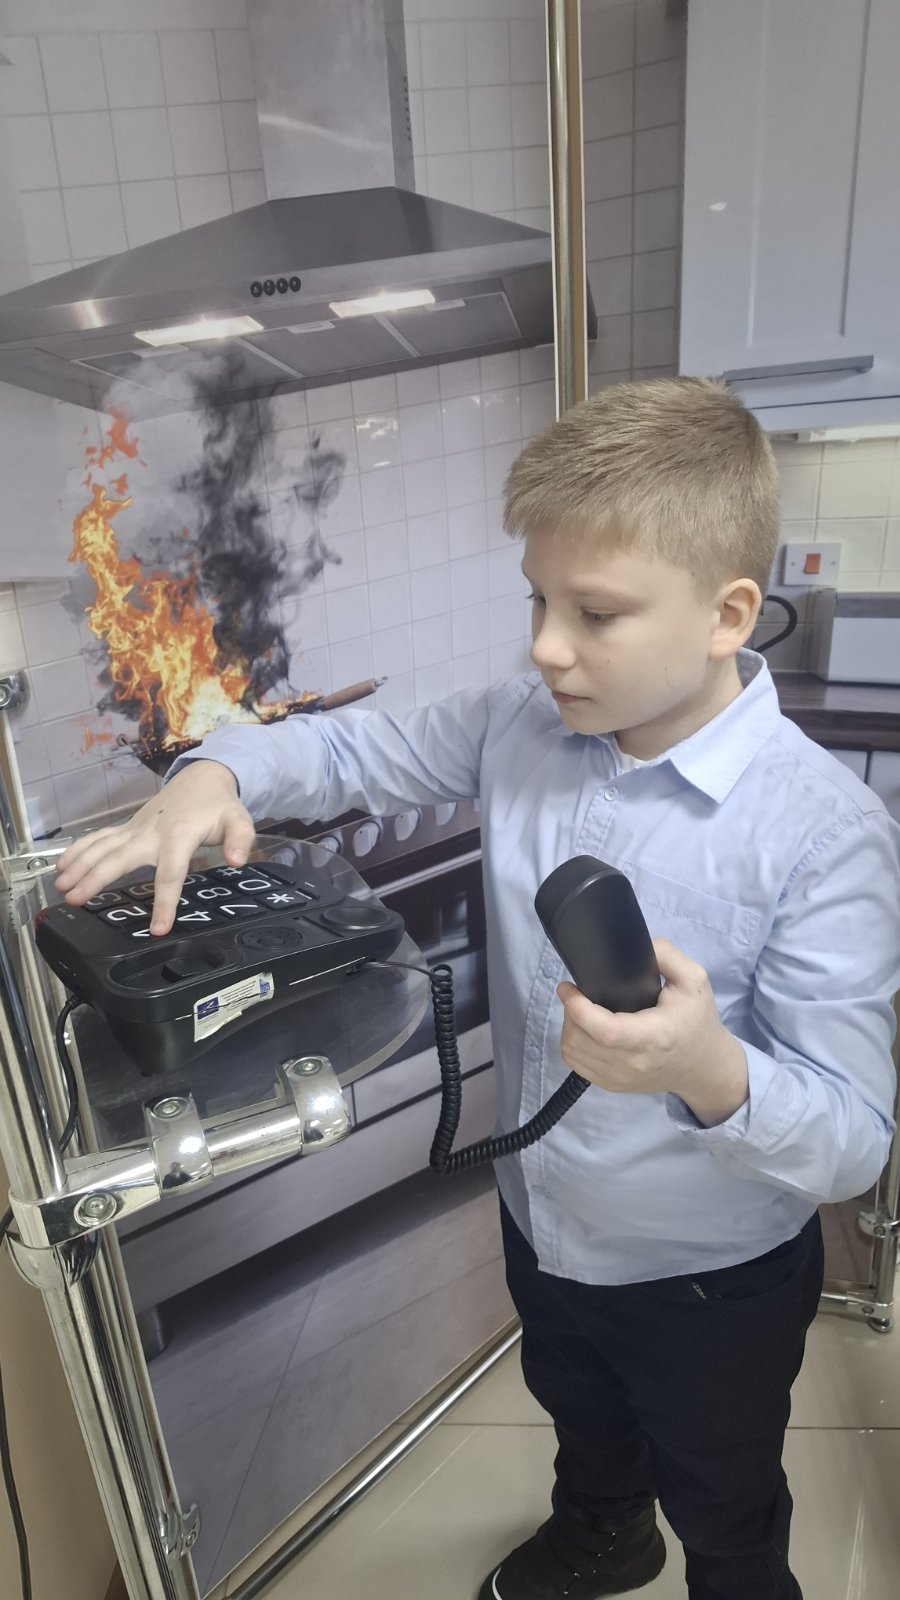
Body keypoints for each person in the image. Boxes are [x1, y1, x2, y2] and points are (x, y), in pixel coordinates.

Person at [55, 378, 900, 1600]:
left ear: (729, 614)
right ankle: (606, 1532)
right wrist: (210, 775)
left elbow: (854, 1142)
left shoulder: (826, 834)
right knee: (580, 1416)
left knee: (725, 1495)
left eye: (595, 612)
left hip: (710, 1275)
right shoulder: (519, 723)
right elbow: (340, 748)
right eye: (537, 600)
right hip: (542, 1218)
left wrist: (707, 1068)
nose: (546, 646)